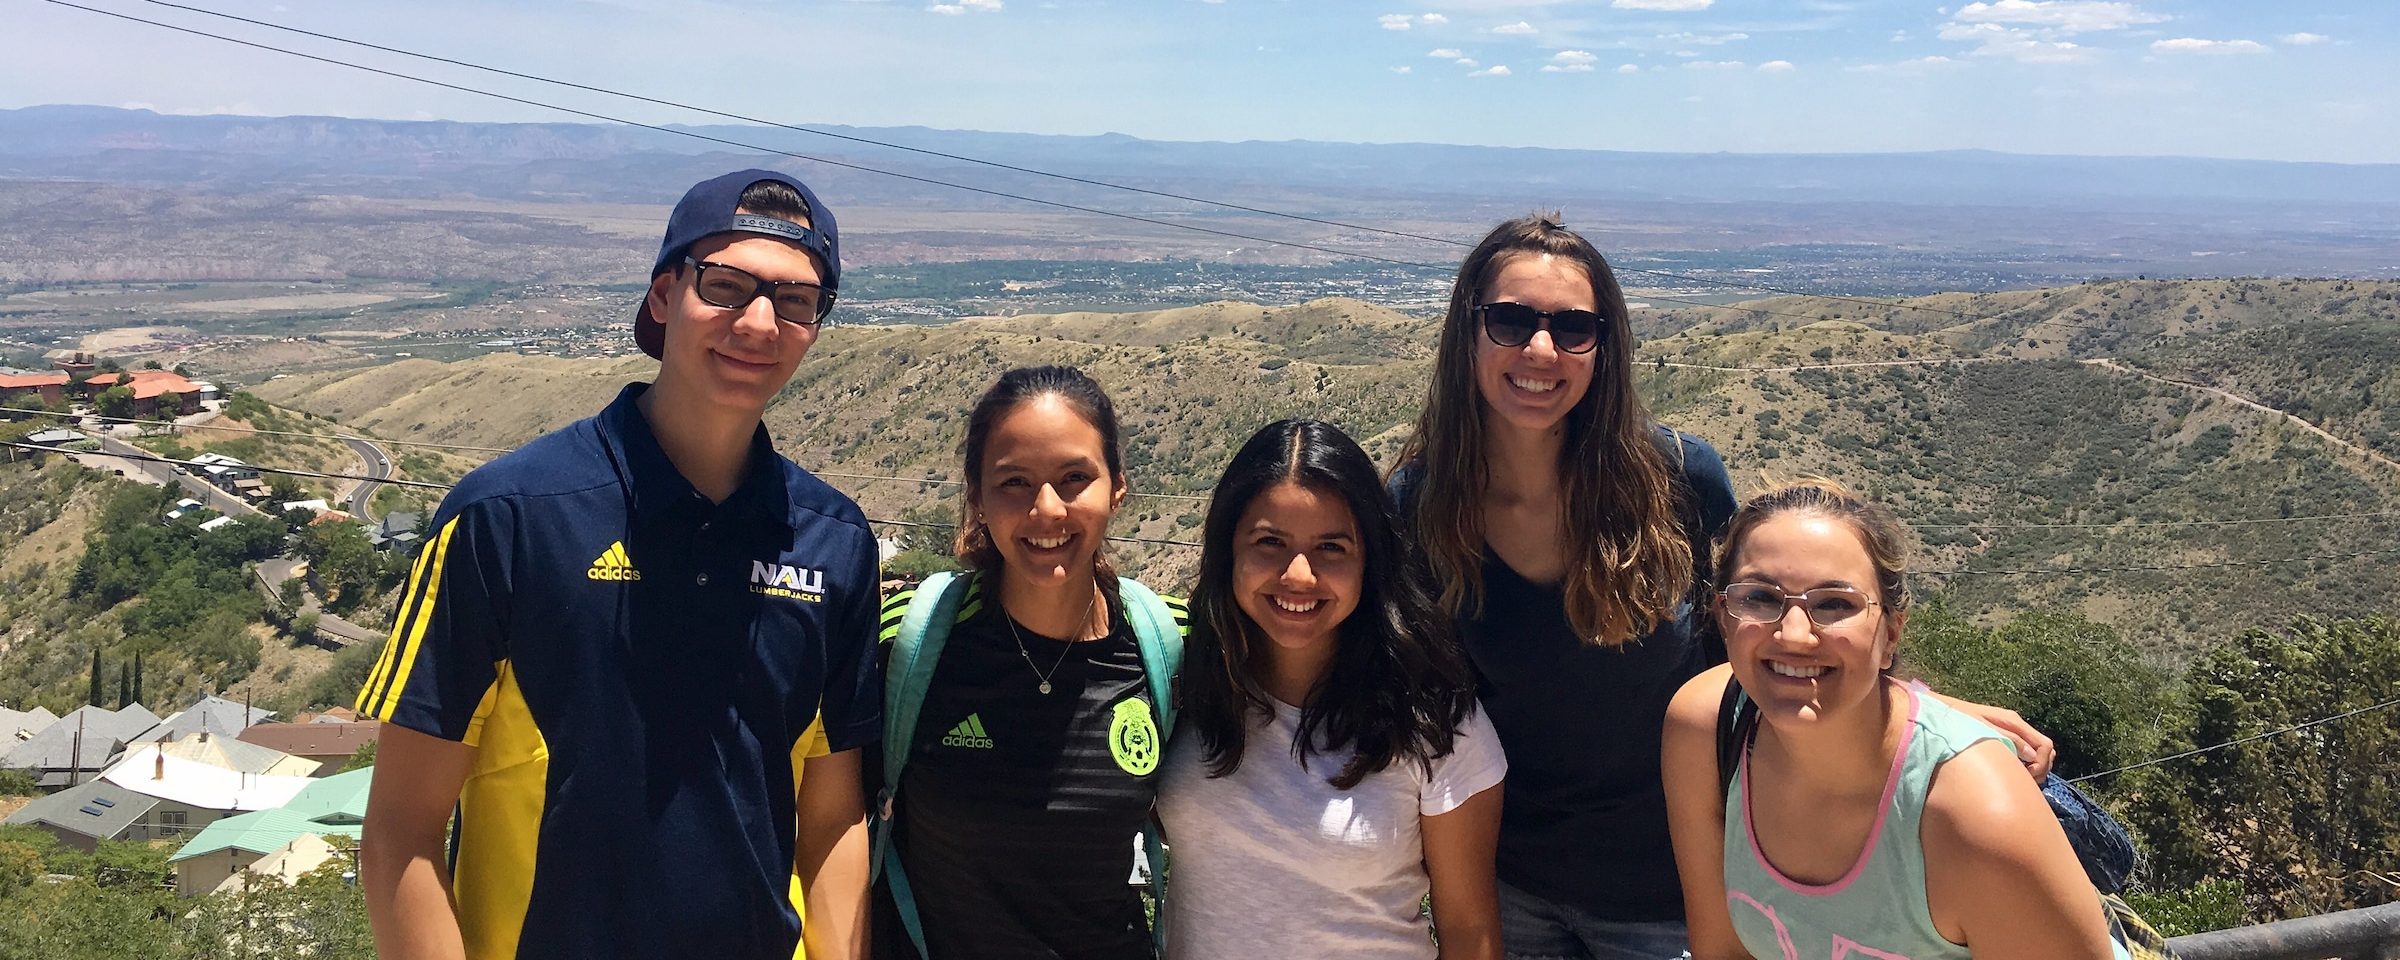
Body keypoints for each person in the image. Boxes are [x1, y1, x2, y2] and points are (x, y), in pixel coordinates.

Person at [1388, 214, 2055, 960]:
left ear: (1604, 346)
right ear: (1469, 331)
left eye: (1573, 328)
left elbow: (1763, 629)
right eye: (1510, 321)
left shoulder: (1677, 480)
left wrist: (1924, 708)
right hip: (1511, 884)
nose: (1541, 349)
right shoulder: (1419, 508)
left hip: (1678, 880)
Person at [356, 169, 879, 960]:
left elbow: (833, 819)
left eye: (797, 301)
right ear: (664, 295)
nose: (761, 323)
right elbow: (401, 829)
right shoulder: (508, 518)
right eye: (727, 285)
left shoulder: (834, 542)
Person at [1661, 481, 2122, 960]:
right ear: (1723, 613)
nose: (1794, 634)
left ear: (1891, 632)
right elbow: (1722, 950)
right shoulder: (1708, 728)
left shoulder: (1975, 817)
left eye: (1835, 604)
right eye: (1759, 598)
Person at [1161, 418, 1506, 960]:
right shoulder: (1186, 682)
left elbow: (1469, 931)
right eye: (1270, 542)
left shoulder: (1435, 724)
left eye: (1331, 547)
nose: (1299, 575)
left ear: (1370, 561)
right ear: (1229, 551)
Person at [871, 365, 1184, 960]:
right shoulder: (913, 639)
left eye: (1073, 479)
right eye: (1014, 482)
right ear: (977, 497)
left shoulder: (1168, 646)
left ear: (1117, 486)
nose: (1047, 510)